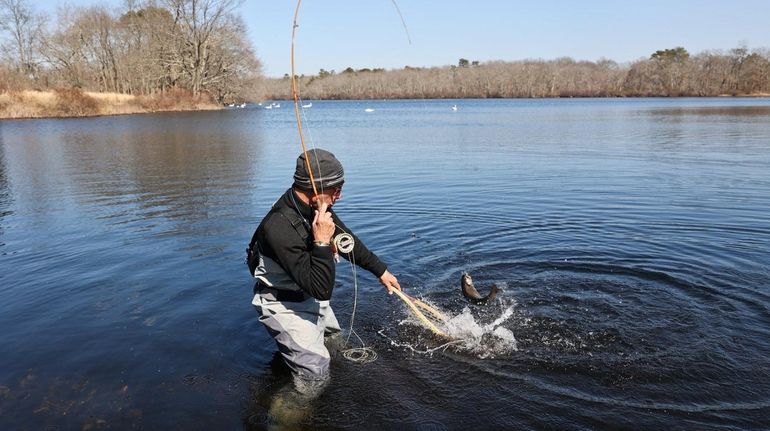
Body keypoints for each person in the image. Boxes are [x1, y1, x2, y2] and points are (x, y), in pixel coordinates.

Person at [247, 148, 401, 388]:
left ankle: (294, 360)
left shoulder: (318, 208)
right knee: (315, 376)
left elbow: (346, 241)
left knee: (335, 342)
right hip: (283, 305)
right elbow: (322, 289)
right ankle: (284, 419)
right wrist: (320, 242)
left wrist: (381, 271)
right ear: (316, 190)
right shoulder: (278, 227)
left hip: (308, 293)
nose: (339, 195)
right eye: (336, 189)